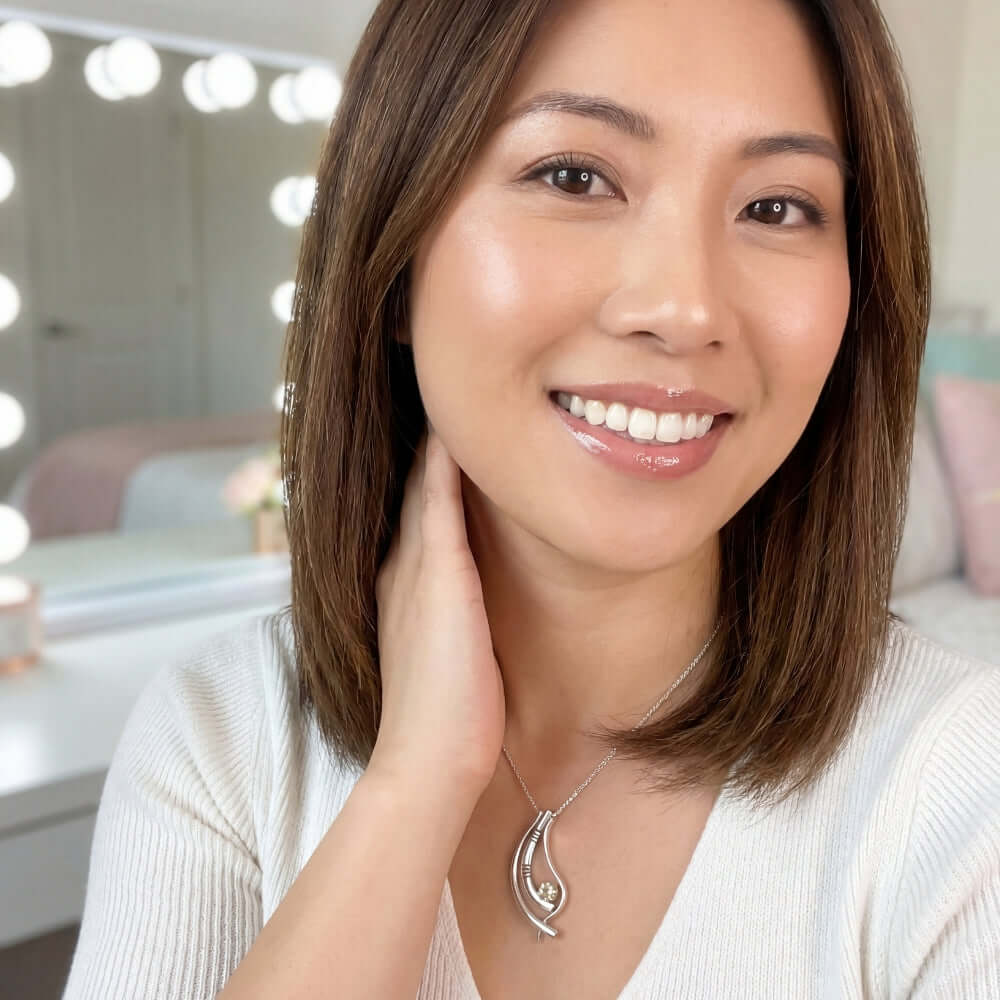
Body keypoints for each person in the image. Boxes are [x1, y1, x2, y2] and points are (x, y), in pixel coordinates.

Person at [63, 0, 1000, 997]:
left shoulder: (959, 784)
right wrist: (412, 787)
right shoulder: (219, 738)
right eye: (573, 176)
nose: (682, 307)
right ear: (393, 248)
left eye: (776, 206)